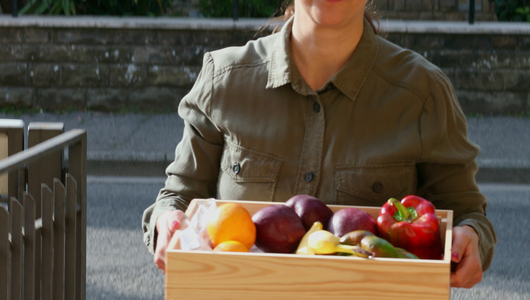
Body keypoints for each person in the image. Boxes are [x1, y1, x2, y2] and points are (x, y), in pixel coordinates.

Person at [142, 0, 496, 288]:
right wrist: (166, 221)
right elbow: (180, 196)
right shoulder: (224, 80)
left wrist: (471, 238)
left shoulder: (423, 93)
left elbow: (464, 214)